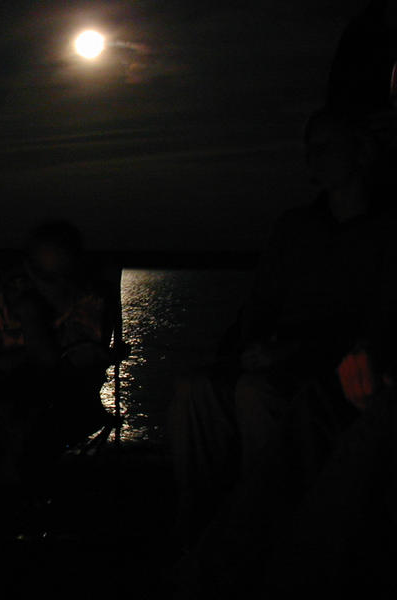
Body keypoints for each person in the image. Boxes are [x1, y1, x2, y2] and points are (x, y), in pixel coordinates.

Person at [168, 106, 387, 546]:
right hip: (276, 358)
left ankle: (262, 534)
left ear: (360, 152)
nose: (313, 156)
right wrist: (248, 346)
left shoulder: (385, 233)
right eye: (309, 147)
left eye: (325, 146)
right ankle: (198, 528)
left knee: (256, 394)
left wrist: (295, 351)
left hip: (331, 373)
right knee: (194, 389)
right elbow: (260, 304)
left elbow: (375, 321)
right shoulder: (294, 228)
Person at [0, 220, 113, 490]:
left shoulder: (88, 305)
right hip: (1, 399)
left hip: (61, 408)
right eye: (45, 277)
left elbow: (58, 370)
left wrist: (30, 318)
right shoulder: (9, 301)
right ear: (28, 270)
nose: (56, 287)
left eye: (64, 276)